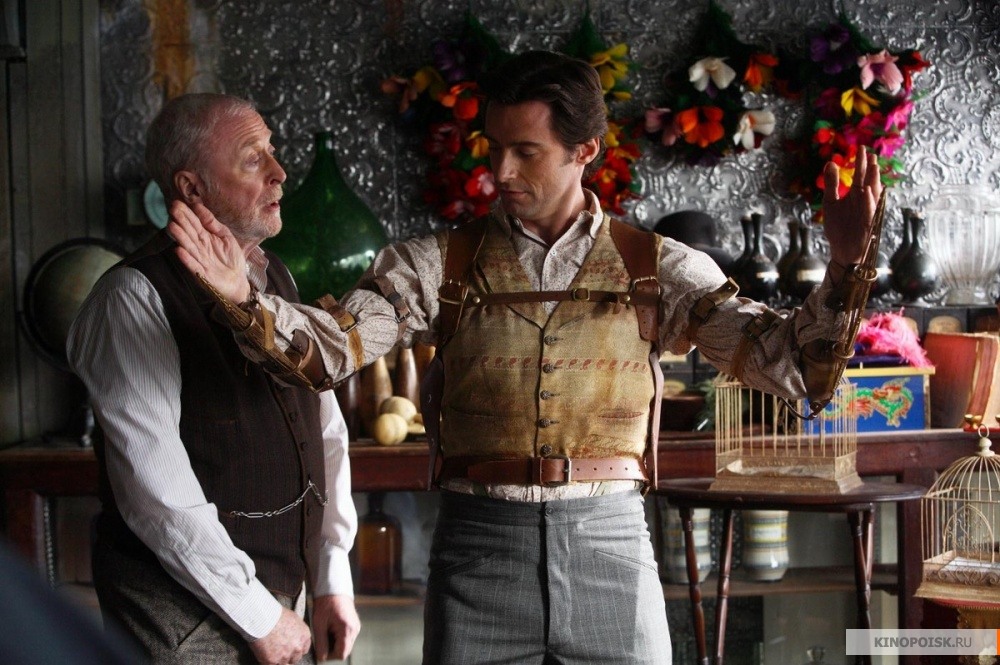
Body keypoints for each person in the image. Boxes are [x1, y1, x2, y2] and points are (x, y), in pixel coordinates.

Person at [168, 51, 883, 664]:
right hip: (478, 548)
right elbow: (328, 353)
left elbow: (790, 369)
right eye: (493, 146)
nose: (499, 170)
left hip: (612, 547)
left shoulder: (654, 266)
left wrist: (848, 268)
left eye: (526, 151)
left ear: (584, 151)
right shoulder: (435, 265)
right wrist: (243, 300)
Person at [66, 93, 360, 665]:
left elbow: (325, 430)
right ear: (192, 189)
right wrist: (259, 615)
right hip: (183, 622)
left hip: (279, 601)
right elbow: (157, 493)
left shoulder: (275, 276)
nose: (279, 172)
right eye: (253, 159)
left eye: (272, 151)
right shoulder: (132, 297)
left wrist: (331, 577)